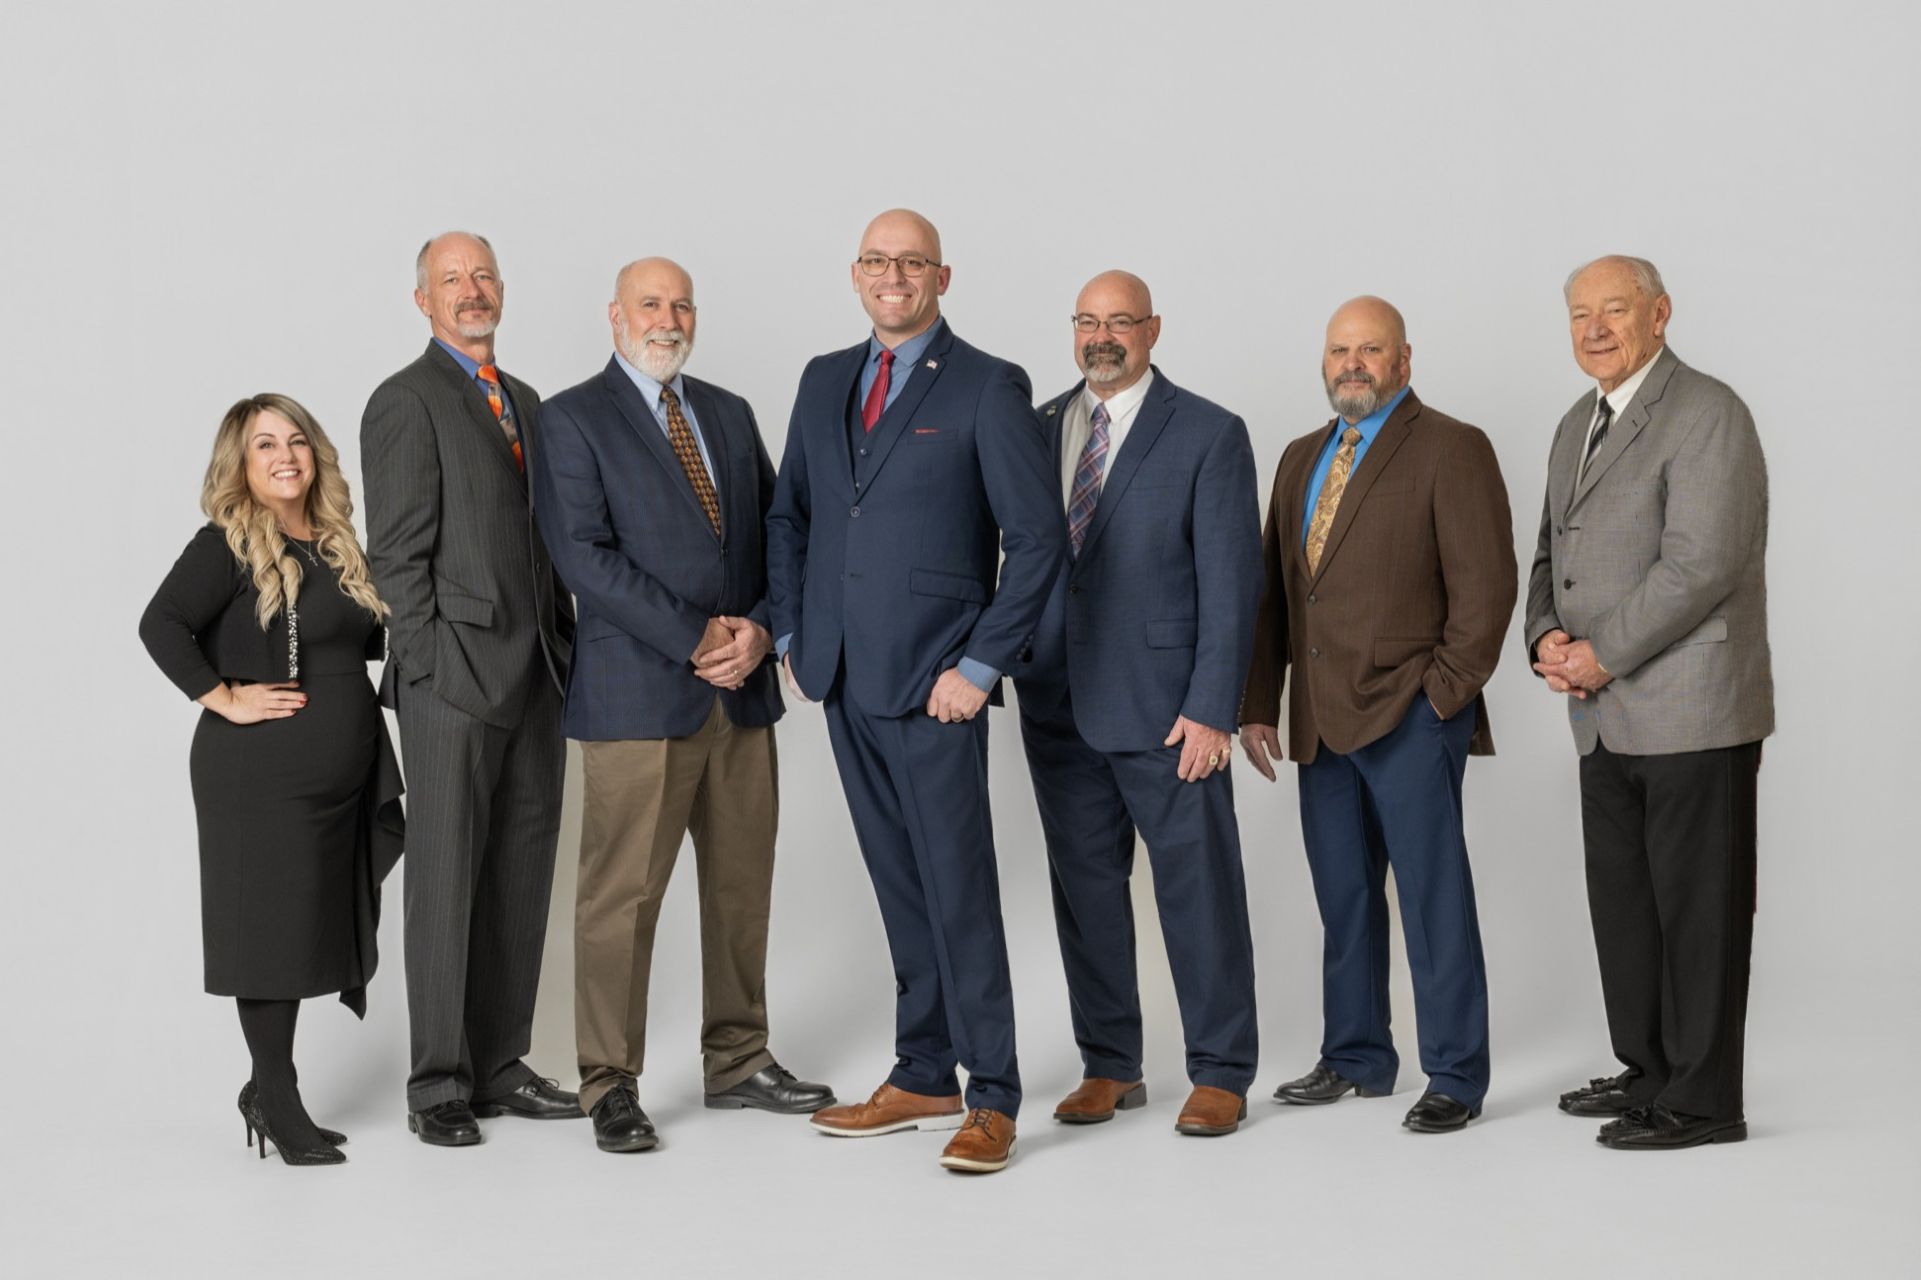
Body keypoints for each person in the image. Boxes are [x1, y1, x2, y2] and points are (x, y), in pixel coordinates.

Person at [767, 209, 1065, 1174]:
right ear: (856, 273)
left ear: (942, 276)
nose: (892, 276)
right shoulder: (822, 380)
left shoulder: (987, 384)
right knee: (900, 886)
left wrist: (978, 667)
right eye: (876, 261)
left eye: (911, 262)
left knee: (959, 890)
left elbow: (1038, 540)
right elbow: (792, 516)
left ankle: (995, 1095)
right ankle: (924, 1071)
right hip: (842, 676)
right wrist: (795, 632)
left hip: (938, 684)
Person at [532, 257, 834, 1154]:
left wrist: (765, 629)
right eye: (650, 304)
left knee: (741, 887)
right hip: (638, 698)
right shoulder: (571, 417)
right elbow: (582, 555)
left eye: (681, 304)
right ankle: (608, 1082)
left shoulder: (729, 412)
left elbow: (784, 531)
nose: (668, 318)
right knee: (620, 898)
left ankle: (738, 1060)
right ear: (615, 315)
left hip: (739, 697)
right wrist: (699, 635)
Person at [1239, 296, 1516, 1134]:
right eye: (1337, 351)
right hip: (1319, 722)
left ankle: (1456, 1075)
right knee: (1345, 897)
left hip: (1409, 716)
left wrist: (1438, 700)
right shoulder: (1297, 458)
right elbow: (1275, 598)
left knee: (1433, 900)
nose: (1349, 365)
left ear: (1403, 360)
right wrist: (1259, 706)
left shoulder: (1451, 448)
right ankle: (1357, 1055)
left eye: (1368, 350)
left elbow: (1486, 593)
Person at [1526, 255, 1771, 1151]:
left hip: (1691, 709)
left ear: (1659, 314)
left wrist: (1598, 653)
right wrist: (1543, 637)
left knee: (1697, 910)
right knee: (1625, 906)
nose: (1594, 328)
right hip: (1600, 717)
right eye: (1579, 314)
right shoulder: (1571, 424)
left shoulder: (1707, 412)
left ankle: (1705, 1101)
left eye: (1614, 310)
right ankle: (1649, 1070)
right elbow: (1550, 553)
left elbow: (1700, 564)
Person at [1013, 270, 1262, 1136]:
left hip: (1168, 711)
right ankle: (1110, 1064)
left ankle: (1222, 1069)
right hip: (1055, 698)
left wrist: (1213, 708)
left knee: (1198, 889)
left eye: (1119, 321)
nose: (1101, 337)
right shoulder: (1037, 427)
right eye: (1086, 321)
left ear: (1152, 329)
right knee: (1084, 890)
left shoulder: (1206, 431)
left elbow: (1233, 584)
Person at [139, 394, 403, 1166]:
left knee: (305, 922)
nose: (286, 455)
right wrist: (222, 696)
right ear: (241, 464)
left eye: (296, 440)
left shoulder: (333, 542)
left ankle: (271, 1091)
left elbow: (375, 638)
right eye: (265, 445)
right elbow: (160, 623)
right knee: (268, 931)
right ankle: (276, 1095)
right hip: (257, 776)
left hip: (342, 772)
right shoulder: (226, 542)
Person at [361, 231, 579, 1146]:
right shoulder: (406, 400)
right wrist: (431, 668)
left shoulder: (526, 401)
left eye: (483, 275)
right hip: (452, 683)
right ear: (423, 301)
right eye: (451, 280)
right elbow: (396, 561)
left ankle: (498, 1063)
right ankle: (438, 1083)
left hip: (538, 677)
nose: (471, 290)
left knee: (520, 874)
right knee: (445, 883)